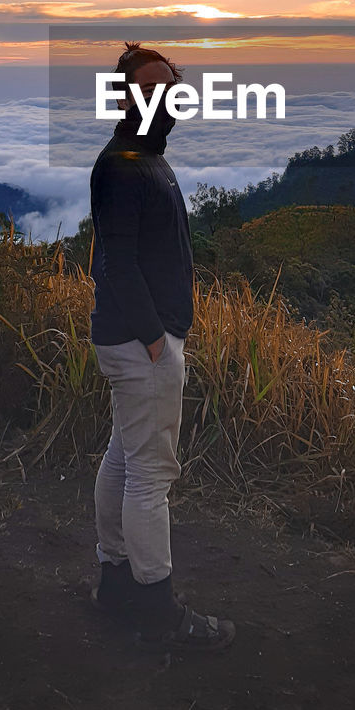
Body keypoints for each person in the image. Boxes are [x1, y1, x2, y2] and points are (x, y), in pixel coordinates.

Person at [89, 41, 236, 652]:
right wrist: (157, 340)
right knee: (152, 474)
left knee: (125, 459)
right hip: (140, 343)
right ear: (126, 97)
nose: (164, 96)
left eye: (172, 86)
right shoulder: (125, 164)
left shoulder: (143, 157)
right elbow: (114, 265)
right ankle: (155, 608)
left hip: (133, 341)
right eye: (151, 87)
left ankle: (116, 581)